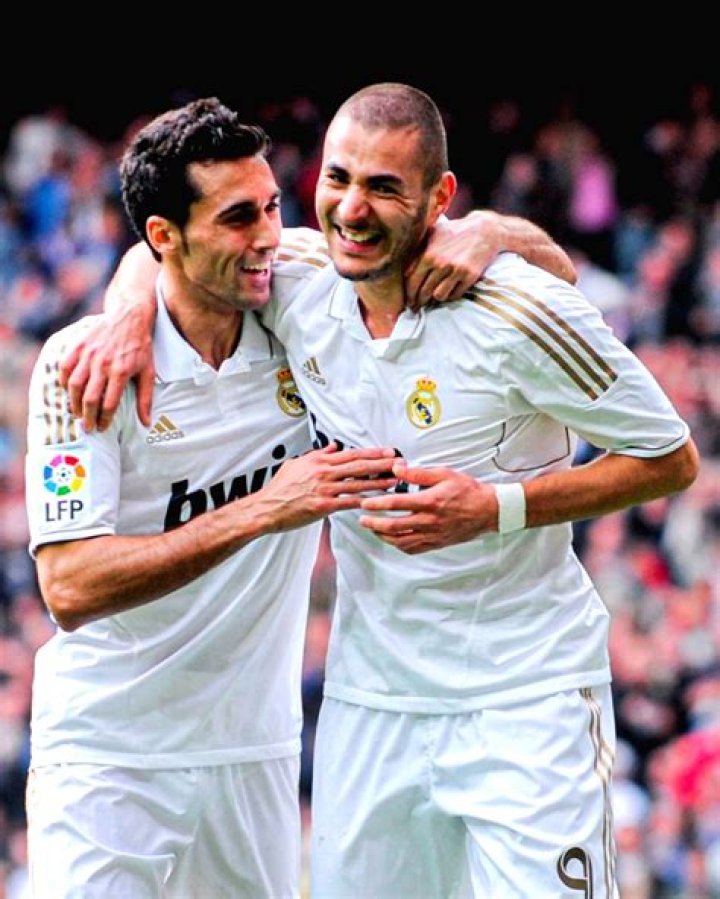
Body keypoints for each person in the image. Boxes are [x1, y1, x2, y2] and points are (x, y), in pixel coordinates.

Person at [61, 84, 693, 898]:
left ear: (438, 198)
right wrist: (125, 312)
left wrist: (495, 507)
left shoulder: (515, 308)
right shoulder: (298, 279)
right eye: (338, 178)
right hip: (372, 700)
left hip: (525, 694)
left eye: (384, 187)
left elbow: (669, 457)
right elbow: (174, 245)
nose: (352, 209)